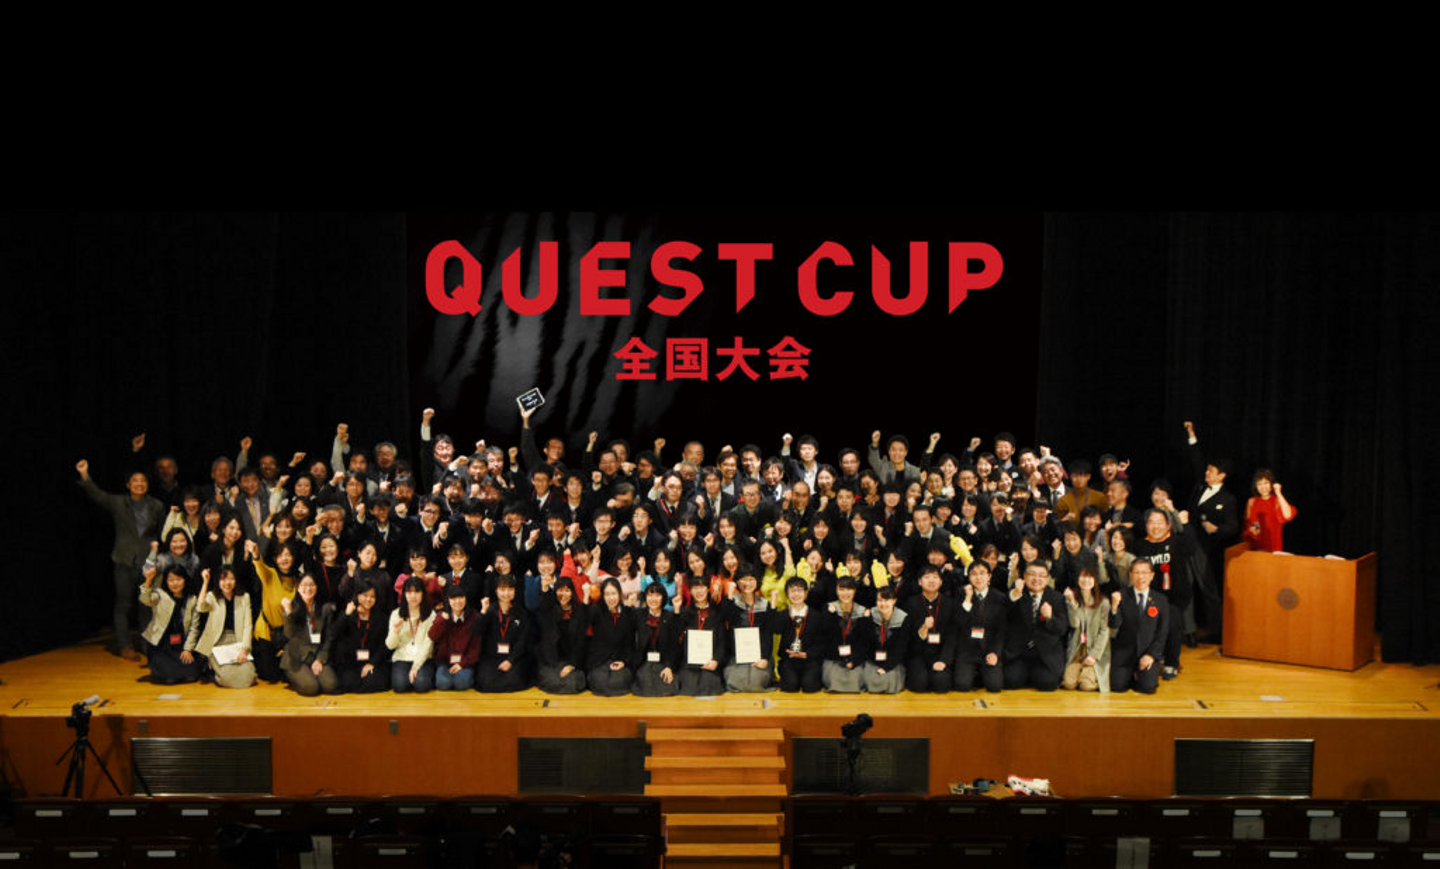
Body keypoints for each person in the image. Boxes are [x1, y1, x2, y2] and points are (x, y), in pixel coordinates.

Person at [76, 459, 165, 660]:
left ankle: (147, 645)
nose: (139, 484)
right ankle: (125, 645)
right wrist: (84, 474)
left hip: (147, 563)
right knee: (123, 605)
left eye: (143, 481)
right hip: (124, 560)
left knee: (146, 606)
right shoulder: (119, 503)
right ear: (128, 484)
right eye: (135, 481)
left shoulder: (157, 505)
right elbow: (98, 495)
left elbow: (161, 532)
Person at [1002, 563, 1069, 691]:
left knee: (1048, 684)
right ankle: (1025, 675)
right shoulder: (1016, 593)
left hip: (1045, 654)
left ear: (1047, 579)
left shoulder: (1057, 598)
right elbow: (1004, 610)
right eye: (1032, 574)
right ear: (1024, 577)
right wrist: (1015, 594)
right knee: (1010, 681)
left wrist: (1050, 617)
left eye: (1041, 575)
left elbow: (1062, 629)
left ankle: (1033, 676)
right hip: (1019, 652)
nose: (1036, 579)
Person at [1109, 560, 1168, 695]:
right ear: (1130, 575)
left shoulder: (1160, 600)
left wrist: (1151, 655)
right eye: (1136, 573)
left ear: (1152, 575)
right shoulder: (1122, 595)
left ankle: (1146, 673)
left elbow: (1162, 632)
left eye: (1144, 573)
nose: (1140, 577)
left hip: (1147, 651)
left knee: (1148, 688)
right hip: (1124, 651)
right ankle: (1130, 674)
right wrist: (1114, 607)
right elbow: (1114, 624)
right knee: (1117, 686)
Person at [191, 566, 256, 688]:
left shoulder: (244, 597)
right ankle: (212, 671)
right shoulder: (212, 596)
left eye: (231, 579)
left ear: (236, 581)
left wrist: (244, 649)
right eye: (223, 579)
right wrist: (205, 582)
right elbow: (200, 607)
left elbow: (248, 625)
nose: (227, 583)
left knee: (249, 676)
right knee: (226, 676)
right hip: (217, 642)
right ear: (218, 581)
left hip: (237, 641)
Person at [139, 564, 203, 684]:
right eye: (171, 580)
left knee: (191, 676)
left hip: (181, 644)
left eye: (178, 579)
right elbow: (145, 599)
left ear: (185, 579)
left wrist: (188, 649)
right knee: (169, 679)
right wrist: (148, 580)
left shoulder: (192, 599)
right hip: (161, 645)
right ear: (166, 581)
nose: (175, 583)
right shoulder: (160, 594)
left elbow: (194, 627)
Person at [281, 573, 340, 696]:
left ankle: (310, 674)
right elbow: (289, 634)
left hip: (316, 655)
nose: (308, 588)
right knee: (311, 688)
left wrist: (319, 659)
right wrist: (288, 612)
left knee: (330, 685)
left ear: (316, 587)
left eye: (311, 585)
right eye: (304, 585)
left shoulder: (325, 609)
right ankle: (295, 678)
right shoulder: (292, 607)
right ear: (298, 588)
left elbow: (328, 638)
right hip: (296, 657)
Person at [954, 561, 1007, 693]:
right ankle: (973, 674)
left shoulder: (999, 597)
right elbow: (958, 623)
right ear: (969, 577)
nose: (978, 577)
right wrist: (967, 599)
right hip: (967, 650)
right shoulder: (960, 593)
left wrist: (995, 653)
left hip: (988, 649)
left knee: (994, 686)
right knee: (962, 685)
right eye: (974, 574)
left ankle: (980, 675)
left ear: (989, 576)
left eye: (982, 573)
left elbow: (1001, 630)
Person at [722, 566, 775, 692]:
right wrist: (729, 595)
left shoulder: (764, 603)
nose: (747, 583)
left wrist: (765, 658)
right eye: (744, 579)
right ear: (737, 581)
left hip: (760, 653)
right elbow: (727, 618)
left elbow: (768, 633)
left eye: (751, 579)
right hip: (738, 653)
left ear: (757, 581)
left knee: (756, 681)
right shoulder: (732, 601)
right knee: (735, 680)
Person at [904, 568, 957, 693]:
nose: (931, 581)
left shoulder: (950, 603)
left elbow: (952, 636)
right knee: (919, 685)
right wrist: (924, 628)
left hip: (940, 653)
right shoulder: (910, 603)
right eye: (927, 577)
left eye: (935, 577)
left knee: (942, 685)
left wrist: (944, 660)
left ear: (941, 582)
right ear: (920, 581)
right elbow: (907, 637)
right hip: (918, 654)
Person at [1061, 566, 1111, 692]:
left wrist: (1094, 655)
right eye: (1083, 576)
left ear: (1095, 580)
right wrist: (1072, 602)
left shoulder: (1103, 602)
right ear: (1077, 579)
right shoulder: (1071, 599)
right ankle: (1081, 670)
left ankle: (1088, 672)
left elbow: (1105, 631)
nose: (1086, 580)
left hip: (1094, 649)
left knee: (1086, 686)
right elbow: (1075, 624)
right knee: (1068, 684)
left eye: (1090, 577)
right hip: (1077, 650)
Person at [334, 582, 391, 693]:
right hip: (351, 663)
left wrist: (372, 663)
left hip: (373, 662)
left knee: (376, 680)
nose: (368, 599)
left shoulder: (381, 618)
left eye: (372, 596)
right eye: (365, 595)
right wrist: (346, 615)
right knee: (347, 680)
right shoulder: (349, 614)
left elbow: (384, 645)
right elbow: (334, 634)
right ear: (358, 596)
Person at [477, 576, 530, 693]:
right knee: (486, 682)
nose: (506, 593)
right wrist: (483, 611)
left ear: (515, 591)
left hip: (513, 657)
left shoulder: (521, 613)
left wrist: (510, 660)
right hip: (492, 657)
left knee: (515, 680)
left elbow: (522, 641)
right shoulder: (490, 610)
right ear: (496, 591)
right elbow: (478, 631)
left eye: (510, 589)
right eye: (502, 589)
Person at [678, 575, 726, 696]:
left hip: (710, 661)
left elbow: (722, 640)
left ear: (708, 589)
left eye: (702, 587)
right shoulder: (685, 613)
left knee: (709, 685)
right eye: (695, 588)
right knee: (689, 687)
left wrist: (716, 660)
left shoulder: (717, 612)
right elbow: (678, 640)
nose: (699, 591)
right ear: (690, 591)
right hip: (690, 663)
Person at [387, 577, 436, 693]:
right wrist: (395, 632)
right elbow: (390, 645)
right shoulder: (396, 614)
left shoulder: (431, 615)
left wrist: (416, 667)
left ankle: (418, 677)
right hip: (402, 658)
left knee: (422, 685)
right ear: (404, 594)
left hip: (423, 658)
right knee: (399, 686)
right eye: (409, 592)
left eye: (417, 592)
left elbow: (428, 645)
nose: (413, 596)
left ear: (423, 594)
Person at [775, 576, 824, 693]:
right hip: (789, 659)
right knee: (790, 686)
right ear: (787, 594)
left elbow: (821, 642)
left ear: (806, 594)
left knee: (810, 686)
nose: (796, 594)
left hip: (809, 659)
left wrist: (807, 654)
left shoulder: (816, 616)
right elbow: (774, 628)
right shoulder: (782, 615)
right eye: (792, 591)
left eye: (799, 590)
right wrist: (773, 604)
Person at [586, 579, 636, 696]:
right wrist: (586, 598)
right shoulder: (596, 610)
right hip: (600, 660)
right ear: (603, 596)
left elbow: (630, 642)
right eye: (607, 594)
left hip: (620, 658)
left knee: (619, 681)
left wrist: (624, 662)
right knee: (599, 681)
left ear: (619, 594)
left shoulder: (628, 611)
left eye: (613, 593)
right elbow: (582, 623)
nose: (610, 598)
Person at [820, 576, 869, 693]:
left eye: (849, 589)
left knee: (855, 680)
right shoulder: (829, 608)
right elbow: (827, 639)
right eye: (841, 589)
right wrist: (831, 616)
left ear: (855, 591)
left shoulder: (862, 611)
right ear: (836, 591)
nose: (845, 593)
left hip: (854, 657)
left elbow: (863, 642)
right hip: (834, 657)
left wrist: (853, 660)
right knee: (833, 679)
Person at [632, 582, 681, 696]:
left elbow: (674, 645)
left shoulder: (669, 617)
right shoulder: (638, 615)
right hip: (644, 662)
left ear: (663, 598)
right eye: (650, 595)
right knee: (645, 685)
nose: (653, 599)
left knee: (668, 687)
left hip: (663, 662)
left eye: (657, 595)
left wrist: (669, 667)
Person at [429, 584, 482, 691]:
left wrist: (462, 664)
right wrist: (442, 621)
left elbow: (476, 646)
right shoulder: (442, 616)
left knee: (461, 683)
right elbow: (433, 636)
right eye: (453, 598)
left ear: (466, 598)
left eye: (461, 597)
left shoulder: (474, 617)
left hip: (466, 662)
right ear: (448, 600)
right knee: (443, 684)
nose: (457, 601)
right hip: (445, 662)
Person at [864, 587, 909, 693]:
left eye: (887, 600)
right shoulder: (871, 614)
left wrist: (887, 667)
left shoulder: (903, 618)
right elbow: (867, 642)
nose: (883, 604)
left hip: (893, 660)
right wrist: (865, 620)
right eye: (880, 600)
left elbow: (901, 647)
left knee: (889, 681)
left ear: (894, 601)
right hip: (874, 659)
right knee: (869, 679)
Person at [1244, 470, 1297, 552]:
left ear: (1271, 484)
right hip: (1256, 545)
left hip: (1273, 545)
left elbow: (1288, 515)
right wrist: (1253, 529)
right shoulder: (1252, 501)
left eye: (1266, 483)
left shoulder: (1277, 500)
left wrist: (1278, 493)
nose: (1263, 487)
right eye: (1259, 484)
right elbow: (1253, 522)